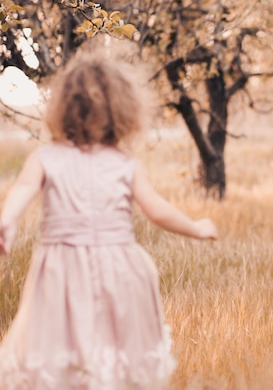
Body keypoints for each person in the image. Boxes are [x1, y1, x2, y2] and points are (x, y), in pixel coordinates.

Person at [0, 45, 218, 389]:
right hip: (120, 268)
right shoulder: (124, 164)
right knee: (115, 354)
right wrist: (197, 227)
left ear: (62, 109)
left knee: (62, 352)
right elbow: (157, 211)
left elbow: (22, 191)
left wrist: (7, 220)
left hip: (62, 269)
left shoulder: (45, 158)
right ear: (123, 111)